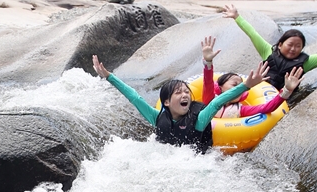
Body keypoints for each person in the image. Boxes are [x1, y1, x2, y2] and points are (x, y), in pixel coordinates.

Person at [91, 54, 270, 153]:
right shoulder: (156, 117)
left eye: (186, 92)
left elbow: (218, 102)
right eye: (179, 93)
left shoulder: (199, 119)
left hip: (196, 162)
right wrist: (109, 77)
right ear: (166, 102)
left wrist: (246, 86)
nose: (185, 95)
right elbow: (134, 98)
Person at [200, 36, 304, 118]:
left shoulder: (241, 110)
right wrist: (208, 62)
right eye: (234, 84)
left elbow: (267, 108)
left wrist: (287, 90)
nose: (239, 89)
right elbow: (207, 82)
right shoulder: (209, 99)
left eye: (241, 86)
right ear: (220, 87)